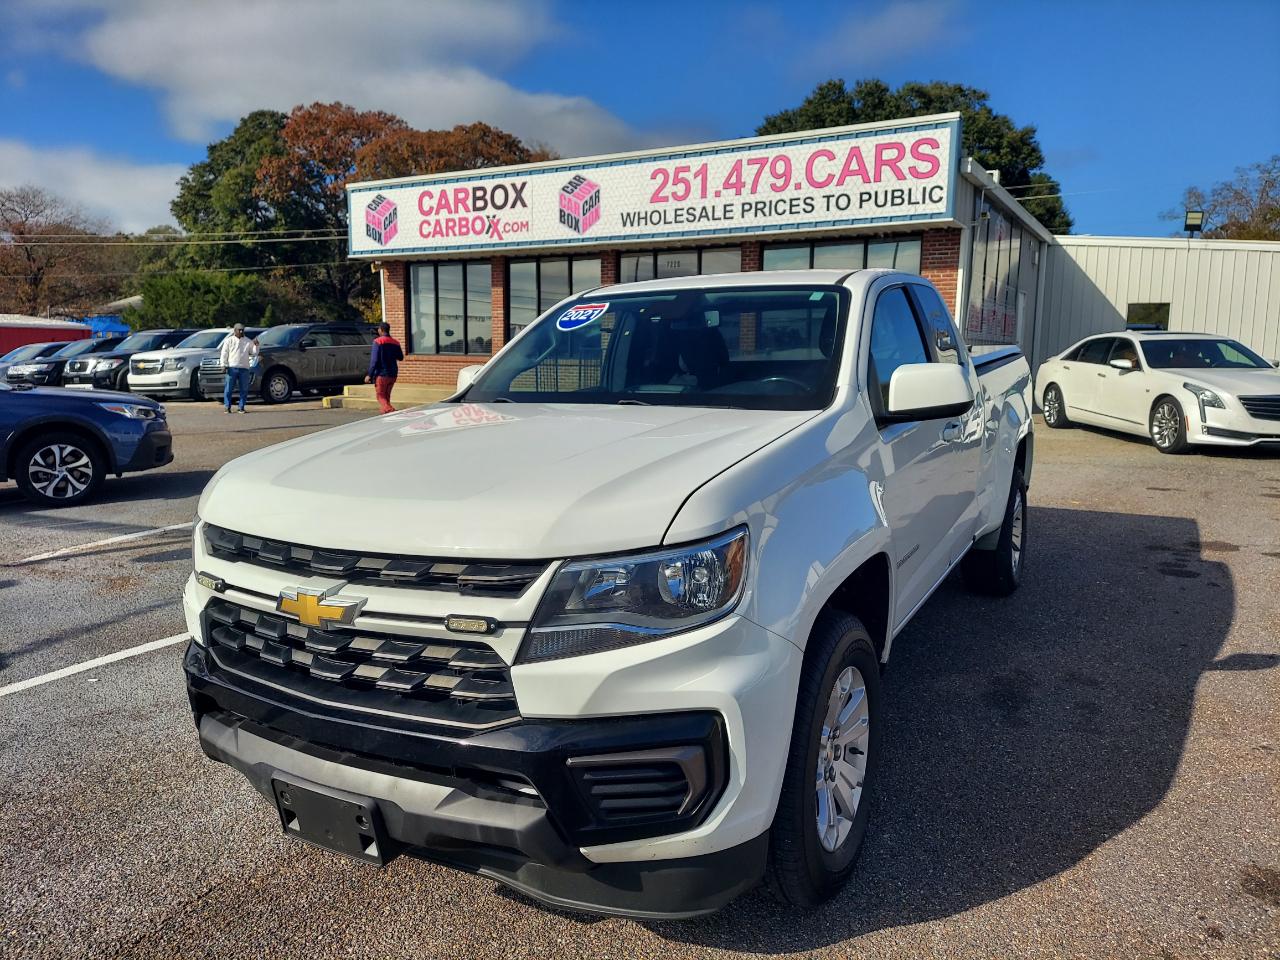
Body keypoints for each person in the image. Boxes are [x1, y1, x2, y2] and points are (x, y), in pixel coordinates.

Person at [220, 323, 259, 413]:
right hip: (232, 368)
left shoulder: (248, 341)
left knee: (244, 389)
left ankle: (241, 407)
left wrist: (256, 345)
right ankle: (227, 406)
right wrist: (223, 365)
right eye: (239, 330)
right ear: (235, 331)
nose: (241, 332)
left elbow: (254, 352)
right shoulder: (229, 340)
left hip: (244, 368)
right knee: (229, 388)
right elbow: (224, 353)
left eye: (242, 330)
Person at [365, 322, 404, 414]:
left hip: (382, 374)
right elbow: (400, 357)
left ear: (381, 330)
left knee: (380, 396)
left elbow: (374, 361)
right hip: (393, 374)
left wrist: (369, 375)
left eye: (378, 329)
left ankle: (391, 411)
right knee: (386, 396)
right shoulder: (396, 342)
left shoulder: (378, 341)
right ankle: (385, 414)